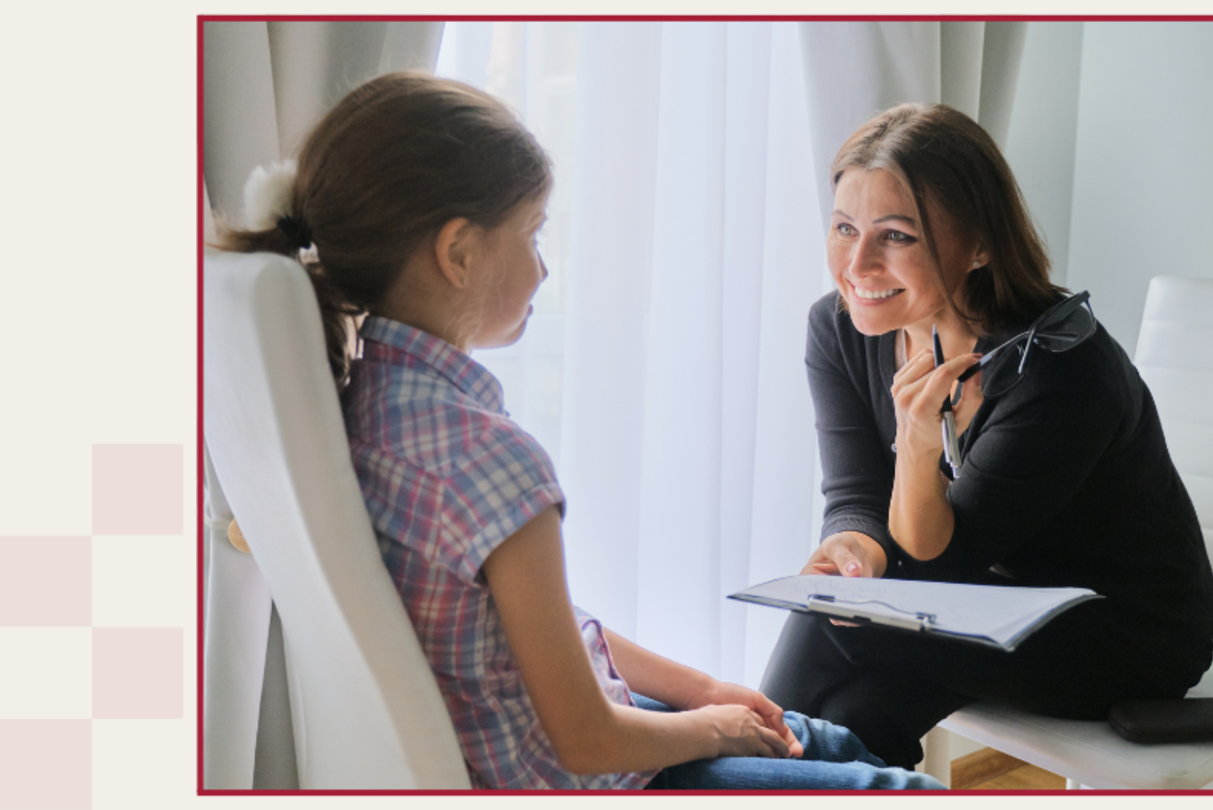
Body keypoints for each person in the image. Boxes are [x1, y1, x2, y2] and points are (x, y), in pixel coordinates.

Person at [215, 71, 941, 791]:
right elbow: (588, 737)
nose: (541, 267)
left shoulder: (366, 406)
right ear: (459, 253)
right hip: (587, 776)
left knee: (824, 738)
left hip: (549, 750)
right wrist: (713, 725)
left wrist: (700, 689)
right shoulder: (490, 462)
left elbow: (552, 631)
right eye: (532, 235)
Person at [759, 103, 1213, 769]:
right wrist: (853, 550)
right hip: (986, 604)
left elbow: (947, 566)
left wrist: (918, 450)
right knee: (861, 716)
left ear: (979, 243)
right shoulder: (836, 330)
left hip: (1120, 630)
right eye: (843, 228)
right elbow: (856, 493)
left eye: (896, 236)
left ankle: (714, 774)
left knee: (826, 622)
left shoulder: (1060, 368)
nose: (856, 263)